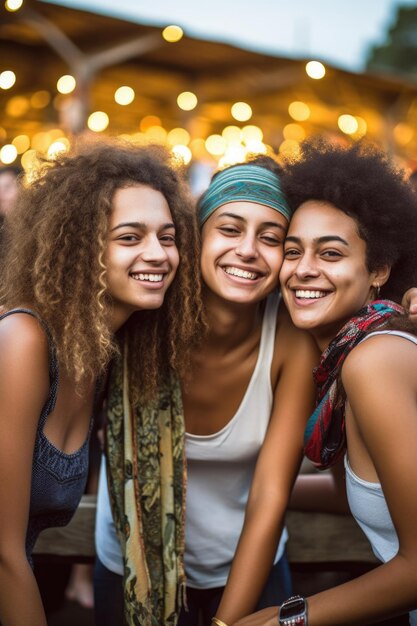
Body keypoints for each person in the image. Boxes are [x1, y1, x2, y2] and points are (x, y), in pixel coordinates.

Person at [94, 156, 320, 626]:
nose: (249, 250)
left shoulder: (291, 338)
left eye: (271, 238)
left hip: (248, 570)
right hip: (133, 569)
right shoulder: (140, 320)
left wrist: (225, 622)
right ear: (196, 236)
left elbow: (271, 494)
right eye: (230, 229)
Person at [0, 138, 203, 626]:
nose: (158, 254)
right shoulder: (23, 340)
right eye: (130, 237)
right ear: (79, 246)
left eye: (168, 237)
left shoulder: (103, 354)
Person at [233, 138, 417, 626]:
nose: (304, 270)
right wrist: (244, 486)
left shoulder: (374, 361)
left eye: (330, 253)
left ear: (378, 269)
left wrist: (280, 620)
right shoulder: (350, 357)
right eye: (292, 251)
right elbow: (360, 492)